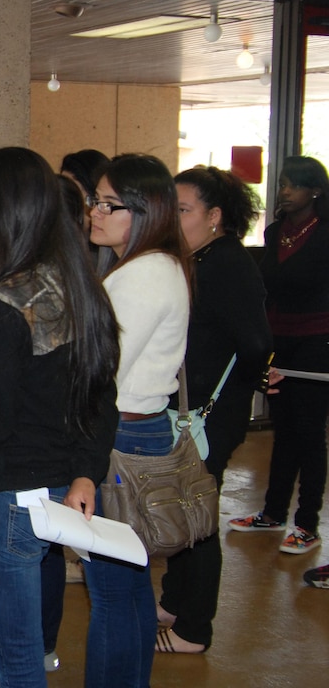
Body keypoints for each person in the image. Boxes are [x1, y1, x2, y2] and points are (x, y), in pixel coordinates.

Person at [0, 147, 120, 687]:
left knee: (16, 659)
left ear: (7, 214)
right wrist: (84, 471)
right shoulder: (79, 289)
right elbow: (100, 399)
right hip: (55, 493)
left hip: (7, 505)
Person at [152, 166, 272, 654]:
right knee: (182, 510)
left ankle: (193, 629)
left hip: (209, 414)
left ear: (215, 216)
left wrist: (226, 393)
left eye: (183, 210)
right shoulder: (195, 258)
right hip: (192, 409)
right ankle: (175, 602)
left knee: (197, 517)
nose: (174, 219)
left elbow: (256, 341)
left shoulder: (225, 262)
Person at [85, 153, 191, 687]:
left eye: (109, 204)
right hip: (133, 430)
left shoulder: (145, 273)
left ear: (145, 210)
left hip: (123, 435)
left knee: (112, 589)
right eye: (94, 201)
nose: (95, 212)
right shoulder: (145, 266)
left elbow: (100, 369)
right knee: (126, 585)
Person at [229, 155, 329, 555]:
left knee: (308, 434)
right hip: (280, 342)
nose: (284, 191)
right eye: (283, 184)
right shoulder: (275, 232)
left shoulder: (324, 232)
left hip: (317, 343)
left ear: (315, 191)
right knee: (282, 430)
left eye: (293, 185)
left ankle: (307, 524)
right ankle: (272, 513)